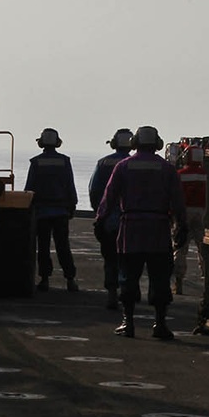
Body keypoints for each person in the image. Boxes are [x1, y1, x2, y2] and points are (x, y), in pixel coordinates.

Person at [95, 123, 187, 341]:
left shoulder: (123, 167)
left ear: (135, 143)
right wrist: (182, 225)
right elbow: (178, 201)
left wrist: (100, 221)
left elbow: (108, 197)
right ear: (157, 144)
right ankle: (160, 324)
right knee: (160, 278)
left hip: (130, 230)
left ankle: (128, 323)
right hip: (158, 229)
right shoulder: (167, 169)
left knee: (128, 276)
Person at [24, 127, 78, 292]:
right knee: (63, 246)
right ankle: (70, 280)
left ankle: (45, 279)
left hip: (42, 212)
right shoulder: (64, 161)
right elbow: (70, 185)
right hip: (61, 211)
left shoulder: (36, 162)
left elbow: (29, 188)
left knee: (43, 247)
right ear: (57, 142)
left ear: (41, 143)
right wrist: (72, 205)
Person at [88, 128, 134, 310]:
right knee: (130, 260)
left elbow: (95, 191)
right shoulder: (136, 163)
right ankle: (128, 293)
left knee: (110, 259)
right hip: (133, 220)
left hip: (109, 221)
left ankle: (112, 293)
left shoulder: (103, 163)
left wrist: (99, 213)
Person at [173, 143, 207, 294]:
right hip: (203, 213)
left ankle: (178, 282)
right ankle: (208, 280)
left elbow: (174, 196)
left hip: (184, 213)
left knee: (180, 248)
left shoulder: (180, 174)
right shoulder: (207, 174)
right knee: (204, 249)